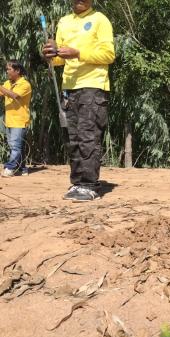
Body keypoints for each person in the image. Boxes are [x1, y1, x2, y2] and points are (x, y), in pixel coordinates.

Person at [42, 0, 115, 201]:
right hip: (69, 87)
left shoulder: (99, 19)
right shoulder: (64, 22)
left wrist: (78, 53)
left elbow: (109, 55)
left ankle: (89, 185)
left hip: (93, 85)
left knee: (88, 135)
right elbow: (59, 60)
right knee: (71, 136)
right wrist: (50, 54)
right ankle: (77, 183)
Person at [0, 60, 32, 177]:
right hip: (9, 120)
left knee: (15, 146)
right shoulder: (7, 83)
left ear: (17, 71)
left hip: (20, 120)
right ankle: (22, 168)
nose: (7, 71)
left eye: (9, 69)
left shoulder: (25, 84)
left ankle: (10, 168)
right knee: (18, 145)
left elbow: (14, 96)